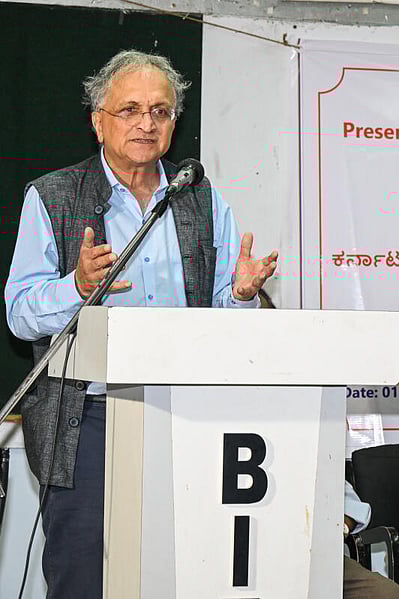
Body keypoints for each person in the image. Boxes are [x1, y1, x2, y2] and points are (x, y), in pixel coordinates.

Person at [4, 50, 278, 599]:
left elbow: (220, 315)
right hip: (86, 418)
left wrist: (243, 296)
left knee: (179, 571)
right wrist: (77, 289)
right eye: (129, 109)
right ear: (97, 119)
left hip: (184, 414)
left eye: (160, 111)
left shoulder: (201, 199)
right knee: (82, 575)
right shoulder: (53, 196)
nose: (146, 122)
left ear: (174, 126)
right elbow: (20, 312)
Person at [344, 481, 399, 599]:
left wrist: (341, 527)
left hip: (325, 558)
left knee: (388, 594)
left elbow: (353, 507)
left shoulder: (322, 467)